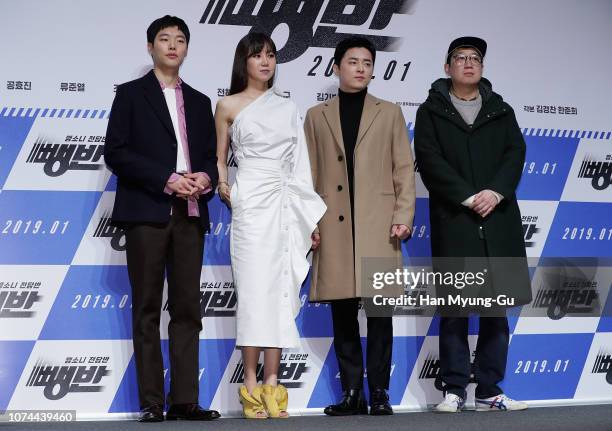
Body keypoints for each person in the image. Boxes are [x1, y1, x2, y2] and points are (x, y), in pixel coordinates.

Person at [104, 15, 220, 422]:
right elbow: (115, 152)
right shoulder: (131, 95)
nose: (173, 45)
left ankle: (185, 400)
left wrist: (205, 176)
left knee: (188, 308)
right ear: (150, 46)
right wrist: (166, 179)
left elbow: (211, 158)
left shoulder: (202, 101)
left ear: (187, 49)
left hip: (191, 211)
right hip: (148, 210)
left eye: (180, 39)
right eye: (164, 39)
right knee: (147, 307)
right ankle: (153, 402)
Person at [414, 36, 532, 413]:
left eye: (475, 58)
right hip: (457, 220)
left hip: (497, 220)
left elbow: (515, 153)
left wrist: (495, 193)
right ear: (447, 67)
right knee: (456, 310)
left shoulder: (501, 109)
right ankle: (453, 390)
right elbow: (429, 160)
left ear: (482, 67)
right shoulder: (431, 111)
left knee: (496, 312)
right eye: (460, 58)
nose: (469, 63)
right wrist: (468, 197)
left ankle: (489, 390)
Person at [215, 33, 326, 419]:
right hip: (249, 205)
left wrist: (306, 218)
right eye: (257, 55)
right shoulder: (227, 105)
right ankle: (249, 385)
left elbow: (300, 166)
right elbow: (219, 158)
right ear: (242, 61)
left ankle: (273, 384)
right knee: (253, 294)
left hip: (283, 204)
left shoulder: (288, 107)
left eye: (271, 56)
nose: (265, 62)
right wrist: (225, 185)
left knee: (280, 291)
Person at [304, 36, 416, 416]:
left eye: (367, 62)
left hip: (378, 227)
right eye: (353, 61)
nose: (361, 68)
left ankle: (380, 391)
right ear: (336, 67)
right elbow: (308, 175)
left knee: (381, 315)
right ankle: (352, 393)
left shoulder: (390, 112)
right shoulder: (316, 116)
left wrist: (403, 216)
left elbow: (403, 168)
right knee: (342, 315)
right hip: (332, 226)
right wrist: (308, 223)